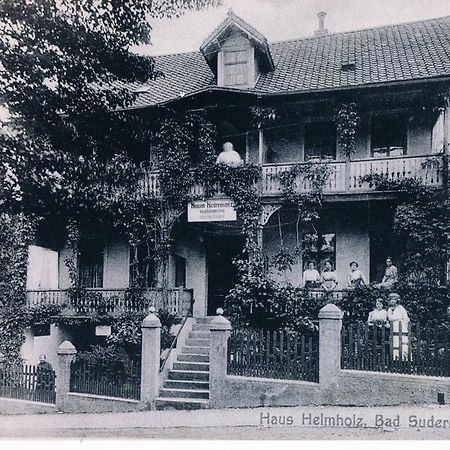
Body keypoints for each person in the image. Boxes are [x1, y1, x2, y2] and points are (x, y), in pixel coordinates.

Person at [387, 293, 410, 360]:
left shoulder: (400, 308)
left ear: (397, 300)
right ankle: (395, 358)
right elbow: (388, 318)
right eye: (391, 299)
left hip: (401, 325)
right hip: (393, 326)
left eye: (394, 299)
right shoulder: (389, 309)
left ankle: (404, 358)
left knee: (403, 341)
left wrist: (406, 327)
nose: (393, 301)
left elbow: (405, 317)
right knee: (395, 341)